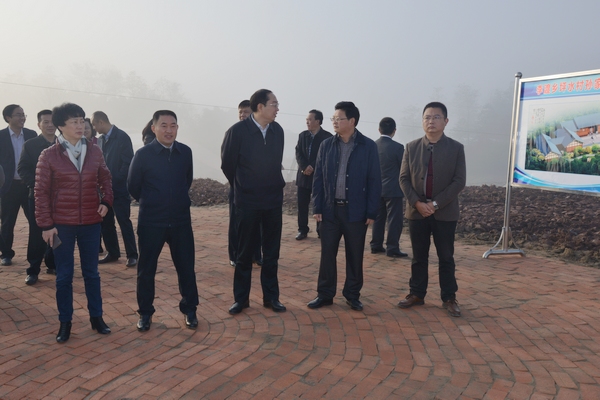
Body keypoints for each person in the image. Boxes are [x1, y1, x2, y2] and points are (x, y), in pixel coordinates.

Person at [35, 102, 113, 343]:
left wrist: (106, 201)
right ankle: (65, 322)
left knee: (92, 273)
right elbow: (40, 193)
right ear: (61, 126)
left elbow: (105, 178)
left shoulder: (95, 151)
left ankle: (97, 318)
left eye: (82, 121)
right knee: (63, 276)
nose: (81, 126)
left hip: (91, 222)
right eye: (74, 122)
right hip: (62, 225)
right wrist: (46, 225)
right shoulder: (49, 155)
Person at [128, 110, 199, 331]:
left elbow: (186, 181)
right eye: (164, 126)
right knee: (146, 270)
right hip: (152, 221)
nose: (169, 130)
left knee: (186, 268)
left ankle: (190, 310)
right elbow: (133, 186)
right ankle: (145, 313)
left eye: (173, 125)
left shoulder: (185, 152)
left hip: (180, 221)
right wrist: (153, 201)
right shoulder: (143, 155)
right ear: (154, 128)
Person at [308, 102, 381, 312]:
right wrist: (317, 207)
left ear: (352, 121)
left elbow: (374, 180)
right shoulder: (326, 145)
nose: (334, 122)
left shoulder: (368, 146)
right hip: (330, 210)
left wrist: (371, 211)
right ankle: (324, 294)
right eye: (333, 119)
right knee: (327, 254)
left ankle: (352, 295)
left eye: (338, 119)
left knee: (355, 255)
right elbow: (318, 178)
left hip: (356, 212)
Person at [397, 102, 466, 317]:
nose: (431, 121)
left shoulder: (456, 148)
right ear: (422, 121)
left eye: (436, 117)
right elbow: (403, 179)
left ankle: (449, 297)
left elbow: (459, 181)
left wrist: (435, 204)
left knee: (446, 257)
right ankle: (417, 293)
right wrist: (418, 203)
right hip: (417, 211)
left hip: (444, 212)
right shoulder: (411, 147)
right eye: (427, 117)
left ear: (446, 121)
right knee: (419, 256)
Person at [221, 89, 286, 314]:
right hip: (247, 202)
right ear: (260, 107)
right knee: (244, 254)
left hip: (272, 201)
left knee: (271, 253)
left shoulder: (277, 131)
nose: (277, 109)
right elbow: (227, 165)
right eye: (274, 104)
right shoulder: (237, 131)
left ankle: (271, 297)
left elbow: (275, 162)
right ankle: (241, 299)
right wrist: (243, 186)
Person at [92, 111, 138, 267]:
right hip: (104, 191)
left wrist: (115, 178)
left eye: (94, 124)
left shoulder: (122, 137)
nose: (94, 128)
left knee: (124, 222)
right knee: (106, 223)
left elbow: (128, 162)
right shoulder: (100, 140)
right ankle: (112, 252)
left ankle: (132, 255)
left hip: (119, 189)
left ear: (101, 122)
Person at [17, 109, 58, 285]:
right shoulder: (31, 145)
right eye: (45, 122)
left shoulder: (63, 143)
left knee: (58, 231)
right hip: (37, 197)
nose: (50, 125)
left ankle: (53, 263)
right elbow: (22, 169)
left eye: (52, 122)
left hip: (59, 198)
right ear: (39, 125)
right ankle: (33, 270)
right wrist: (38, 185)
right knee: (36, 233)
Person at [227, 100, 263, 267]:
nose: (242, 115)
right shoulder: (234, 132)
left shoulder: (261, 133)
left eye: (246, 112)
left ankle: (256, 254)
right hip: (238, 188)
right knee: (237, 223)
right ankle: (235, 255)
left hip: (258, 190)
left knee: (257, 223)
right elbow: (227, 163)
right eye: (240, 112)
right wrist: (237, 182)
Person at [0, 105, 37, 266]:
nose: (22, 118)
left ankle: (38, 252)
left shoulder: (31, 135)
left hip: (29, 185)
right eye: (18, 115)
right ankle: (6, 253)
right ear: (8, 118)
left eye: (23, 114)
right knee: (7, 222)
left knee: (36, 221)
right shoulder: (1, 136)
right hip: (8, 187)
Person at [370, 117, 408, 258]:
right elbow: (403, 168)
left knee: (378, 218)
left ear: (379, 130)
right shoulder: (398, 147)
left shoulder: (372, 146)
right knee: (394, 219)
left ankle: (376, 245)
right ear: (394, 130)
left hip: (376, 188)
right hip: (393, 189)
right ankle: (392, 247)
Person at [294, 110, 332, 240]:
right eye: (306, 120)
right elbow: (298, 152)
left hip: (319, 177)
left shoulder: (327, 137)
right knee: (302, 205)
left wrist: (313, 166)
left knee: (319, 204)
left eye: (310, 120)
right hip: (303, 175)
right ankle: (302, 229)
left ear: (318, 121)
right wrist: (304, 166)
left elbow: (326, 155)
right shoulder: (303, 135)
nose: (307, 122)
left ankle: (320, 230)